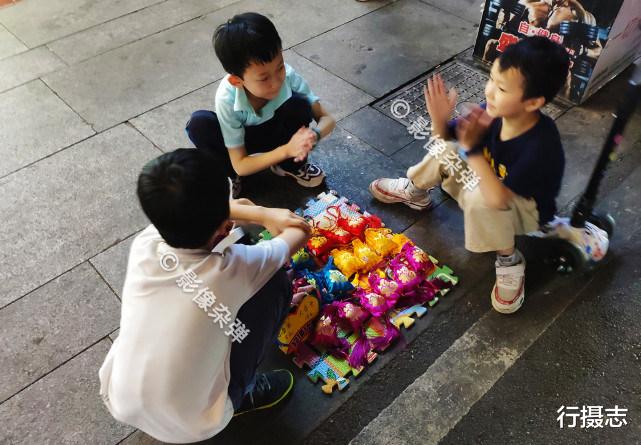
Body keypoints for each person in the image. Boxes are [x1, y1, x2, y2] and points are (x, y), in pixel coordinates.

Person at [99, 148, 311, 443]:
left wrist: (254, 213)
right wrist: (263, 213)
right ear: (224, 228)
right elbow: (301, 230)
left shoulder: (145, 243)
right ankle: (242, 395)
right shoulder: (233, 270)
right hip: (197, 423)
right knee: (275, 284)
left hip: (121, 397)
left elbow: (223, 213)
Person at [369, 37, 570, 314]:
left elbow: (498, 199)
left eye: (500, 88)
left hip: (522, 212)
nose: (489, 92)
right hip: (484, 183)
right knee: (447, 149)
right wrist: (440, 117)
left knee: (481, 198)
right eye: (491, 79)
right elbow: (446, 138)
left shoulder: (539, 145)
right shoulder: (493, 113)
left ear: (533, 102)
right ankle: (415, 191)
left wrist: (473, 149)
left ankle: (509, 259)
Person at [186, 12, 336, 197]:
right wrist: (285, 150)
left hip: (278, 131)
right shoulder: (227, 99)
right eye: (264, 78)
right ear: (237, 81)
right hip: (243, 143)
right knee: (199, 124)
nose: (277, 81)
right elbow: (241, 164)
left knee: (299, 103)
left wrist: (313, 135)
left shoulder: (289, 77)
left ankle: (290, 165)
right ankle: (232, 176)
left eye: (280, 66)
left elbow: (327, 119)